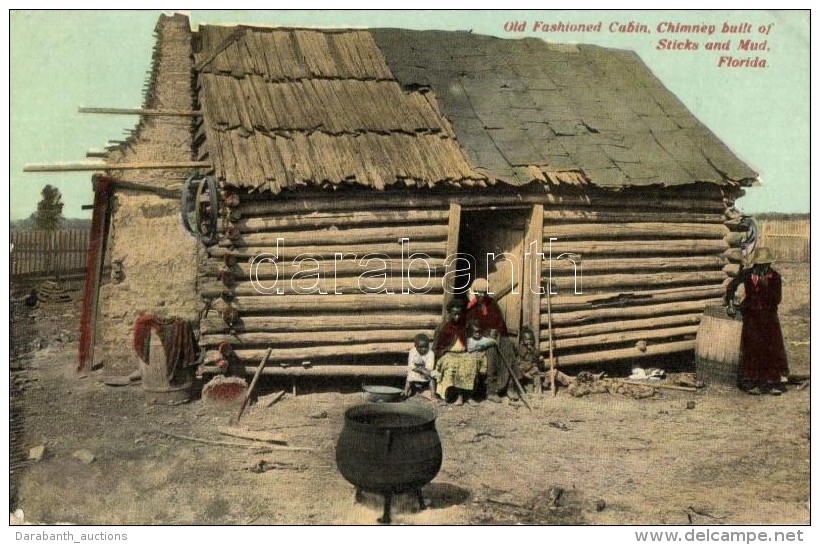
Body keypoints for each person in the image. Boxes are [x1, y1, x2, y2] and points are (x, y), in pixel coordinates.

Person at [725, 247, 789, 395]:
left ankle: (773, 383)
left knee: (771, 348)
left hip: (769, 318)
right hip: (751, 318)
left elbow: (777, 299)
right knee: (752, 348)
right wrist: (730, 304)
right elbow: (732, 286)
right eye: (760, 265)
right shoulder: (747, 274)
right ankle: (752, 383)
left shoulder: (775, 277)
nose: (763, 268)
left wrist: (765, 287)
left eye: (765, 264)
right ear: (755, 264)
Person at [433, 298, 483, 406]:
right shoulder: (442, 328)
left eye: (459, 314)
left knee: (472, 361)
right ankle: (456, 396)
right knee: (453, 363)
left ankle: (467, 395)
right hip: (448, 354)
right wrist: (443, 353)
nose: (457, 317)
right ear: (449, 313)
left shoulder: (464, 326)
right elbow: (435, 348)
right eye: (454, 314)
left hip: (463, 353)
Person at [403, 333, 441, 403]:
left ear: (428, 346)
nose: (423, 349)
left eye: (425, 347)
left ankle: (433, 395)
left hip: (426, 371)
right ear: (415, 346)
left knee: (431, 377)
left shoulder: (430, 353)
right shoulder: (412, 352)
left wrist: (424, 371)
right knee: (410, 375)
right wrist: (421, 370)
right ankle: (406, 391)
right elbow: (411, 366)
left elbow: (429, 368)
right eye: (420, 347)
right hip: (417, 371)